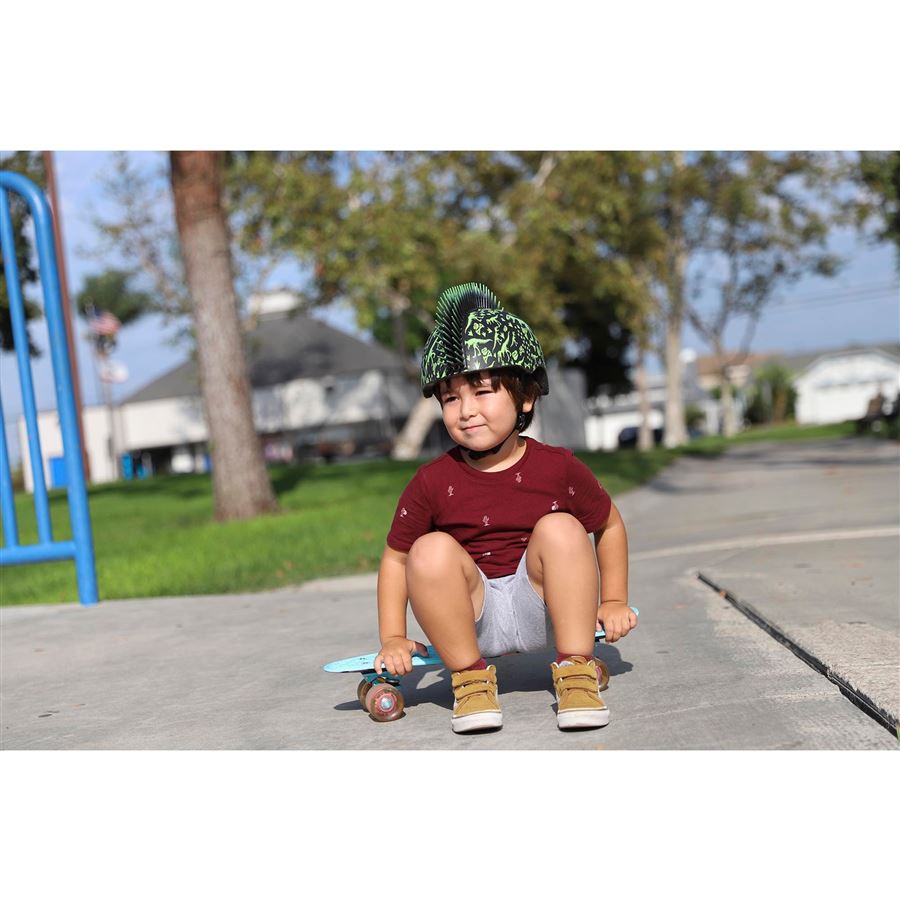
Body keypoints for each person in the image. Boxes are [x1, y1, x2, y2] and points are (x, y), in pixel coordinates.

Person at [375, 283, 636, 733]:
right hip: (470, 619)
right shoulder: (432, 481)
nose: (465, 410)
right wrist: (393, 636)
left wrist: (613, 600)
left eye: (481, 392)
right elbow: (396, 559)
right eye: (451, 398)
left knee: (561, 528)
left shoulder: (558, 467)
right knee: (427, 549)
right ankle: (471, 681)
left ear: (525, 397)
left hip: (547, 608)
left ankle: (576, 672)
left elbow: (608, 524)